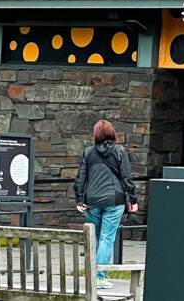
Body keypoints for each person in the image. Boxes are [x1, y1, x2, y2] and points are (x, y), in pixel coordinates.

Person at [73, 120, 138, 290]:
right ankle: (99, 277)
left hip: (92, 201)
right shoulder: (120, 151)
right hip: (114, 200)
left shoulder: (88, 153)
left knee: (93, 238)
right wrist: (133, 199)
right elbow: (126, 177)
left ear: (96, 134)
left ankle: (91, 275)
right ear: (112, 133)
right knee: (106, 239)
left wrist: (79, 200)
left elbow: (80, 178)